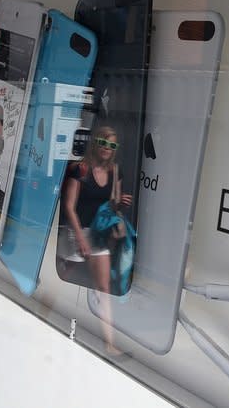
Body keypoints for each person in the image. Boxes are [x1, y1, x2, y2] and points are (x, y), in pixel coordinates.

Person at [58, 125, 132, 355]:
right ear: (96, 143)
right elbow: (69, 206)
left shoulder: (115, 172)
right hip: (77, 230)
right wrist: (80, 237)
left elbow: (112, 206)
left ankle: (109, 342)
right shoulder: (80, 169)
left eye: (112, 146)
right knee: (68, 272)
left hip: (98, 232)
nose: (107, 149)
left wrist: (120, 205)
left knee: (103, 287)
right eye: (104, 143)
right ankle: (54, 310)